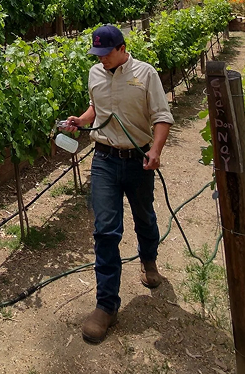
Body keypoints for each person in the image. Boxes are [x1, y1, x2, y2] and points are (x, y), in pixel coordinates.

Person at [63, 24, 173, 343]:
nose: (102, 61)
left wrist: (155, 150)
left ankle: (148, 259)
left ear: (122, 48)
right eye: (97, 55)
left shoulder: (145, 73)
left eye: (106, 54)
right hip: (104, 160)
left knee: (144, 217)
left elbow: (162, 116)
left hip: (138, 160)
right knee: (105, 231)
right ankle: (106, 306)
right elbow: (99, 108)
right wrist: (81, 121)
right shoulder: (95, 74)